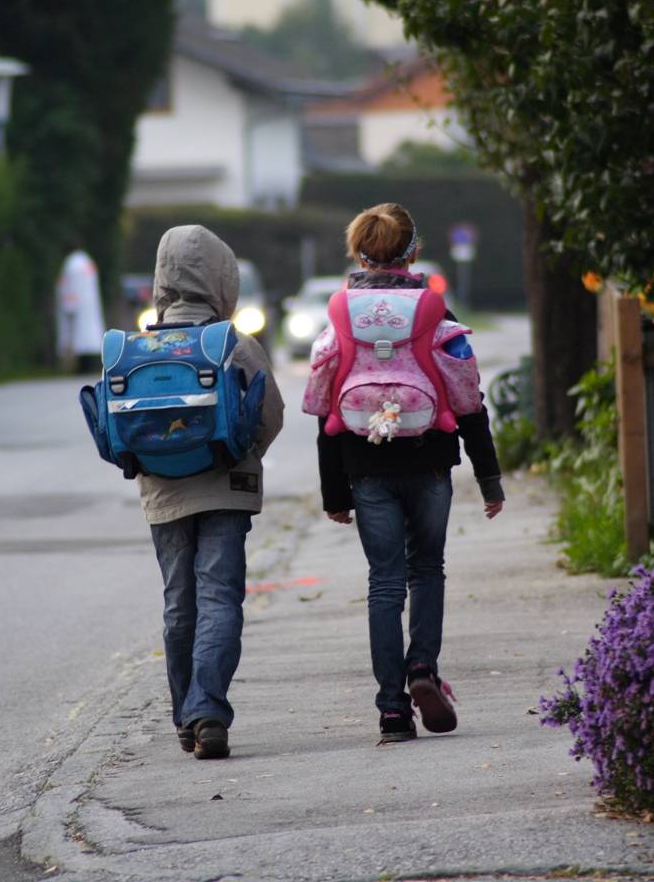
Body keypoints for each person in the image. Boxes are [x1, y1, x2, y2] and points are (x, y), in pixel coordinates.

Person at [302, 203, 504, 744]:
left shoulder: (341, 315)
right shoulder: (433, 309)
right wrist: (489, 477)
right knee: (428, 569)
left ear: (358, 252)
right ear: (412, 251)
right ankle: (422, 670)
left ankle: (392, 710)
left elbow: (324, 410)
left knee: (384, 583)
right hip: (430, 458)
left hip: (365, 466)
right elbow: (467, 398)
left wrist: (333, 493)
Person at [138, 225, 284, 759]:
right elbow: (272, 416)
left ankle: (185, 717)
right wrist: (239, 457)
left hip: (163, 494)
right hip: (226, 489)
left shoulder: (138, 347)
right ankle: (208, 711)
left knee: (180, 603)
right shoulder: (234, 345)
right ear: (224, 276)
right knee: (220, 596)